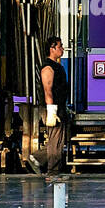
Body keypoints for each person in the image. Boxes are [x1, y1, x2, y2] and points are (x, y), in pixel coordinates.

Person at [37, 36, 70, 179]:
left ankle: (36, 159)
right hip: (53, 108)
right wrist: (51, 111)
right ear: (52, 48)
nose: (62, 48)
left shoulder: (57, 66)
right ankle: (52, 172)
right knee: (55, 140)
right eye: (60, 46)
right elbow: (47, 90)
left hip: (60, 106)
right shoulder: (48, 68)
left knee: (59, 139)